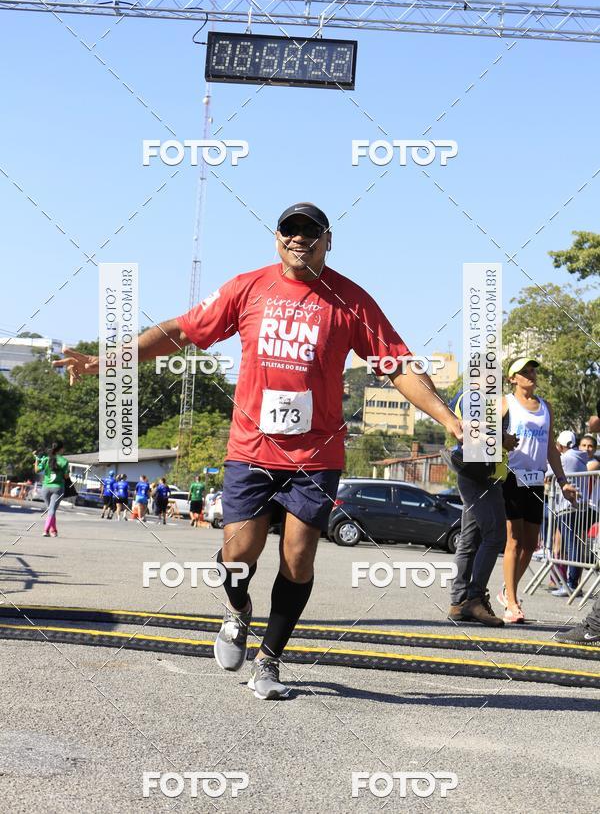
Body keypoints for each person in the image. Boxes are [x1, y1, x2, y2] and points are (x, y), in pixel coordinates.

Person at [55, 201, 462, 701]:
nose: (299, 240)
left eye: (311, 232)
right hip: (251, 448)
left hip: (316, 456)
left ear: (328, 241)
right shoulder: (248, 288)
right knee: (239, 554)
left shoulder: (351, 300)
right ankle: (236, 610)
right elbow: (183, 331)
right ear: (276, 239)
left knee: (298, 556)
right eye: (290, 231)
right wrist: (108, 359)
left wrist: (449, 419)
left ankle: (269, 660)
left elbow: (397, 365)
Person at [497, 359, 578, 623]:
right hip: (511, 477)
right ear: (513, 379)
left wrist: (563, 481)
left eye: (532, 370)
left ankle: (507, 590)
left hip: (535, 481)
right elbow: (483, 433)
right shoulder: (505, 403)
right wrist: (501, 441)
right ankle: (511, 602)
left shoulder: (546, 408)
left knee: (531, 545)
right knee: (514, 540)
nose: (531, 375)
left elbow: (551, 449)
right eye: (525, 372)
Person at [446, 391, 518, 627]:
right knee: (495, 535)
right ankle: (474, 599)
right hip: (478, 476)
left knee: (469, 539)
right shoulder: (472, 397)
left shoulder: (487, 399)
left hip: (486, 475)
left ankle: (459, 602)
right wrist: (503, 439)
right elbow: (469, 431)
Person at [549, 430, 589, 597]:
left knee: (571, 546)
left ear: (562, 445)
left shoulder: (565, 458)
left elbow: (548, 473)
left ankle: (571, 584)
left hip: (567, 506)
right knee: (575, 546)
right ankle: (574, 583)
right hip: (579, 507)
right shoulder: (581, 459)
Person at [34, 441, 69, 537]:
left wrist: (37, 459)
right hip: (57, 488)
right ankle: (46, 530)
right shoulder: (64, 461)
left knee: (50, 509)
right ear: (61, 449)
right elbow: (66, 476)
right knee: (52, 509)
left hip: (45, 487)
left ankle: (54, 530)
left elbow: (37, 470)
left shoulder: (46, 459)